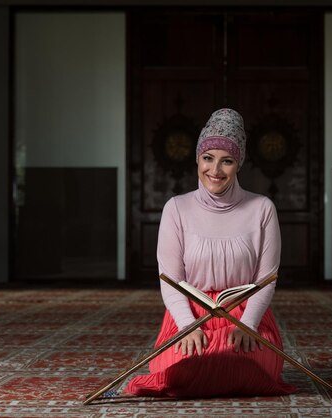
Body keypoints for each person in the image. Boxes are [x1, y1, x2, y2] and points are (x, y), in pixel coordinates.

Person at [125, 108, 296, 398]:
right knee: (177, 363)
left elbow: (267, 279)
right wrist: (188, 327)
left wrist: (248, 325)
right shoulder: (176, 208)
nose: (215, 170)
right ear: (197, 159)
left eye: (226, 161)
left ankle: (220, 369)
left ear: (238, 164)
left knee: (248, 360)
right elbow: (170, 279)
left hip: (245, 314)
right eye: (208, 158)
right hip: (190, 312)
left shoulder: (262, 208)